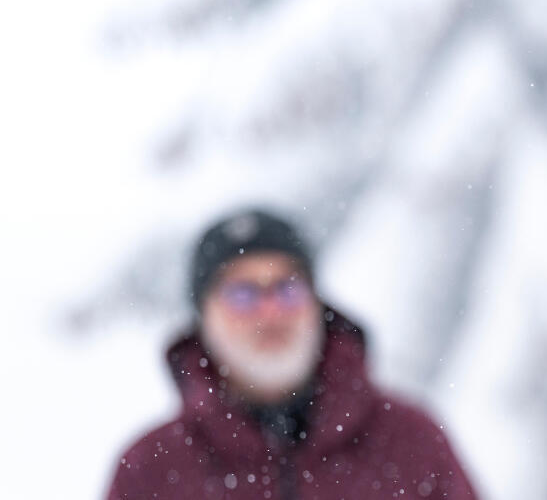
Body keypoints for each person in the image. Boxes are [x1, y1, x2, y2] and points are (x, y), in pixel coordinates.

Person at [109, 209, 477, 500]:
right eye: (243, 294)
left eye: (287, 289)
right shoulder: (152, 469)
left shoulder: (410, 442)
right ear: (203, 319)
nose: (270, 311)